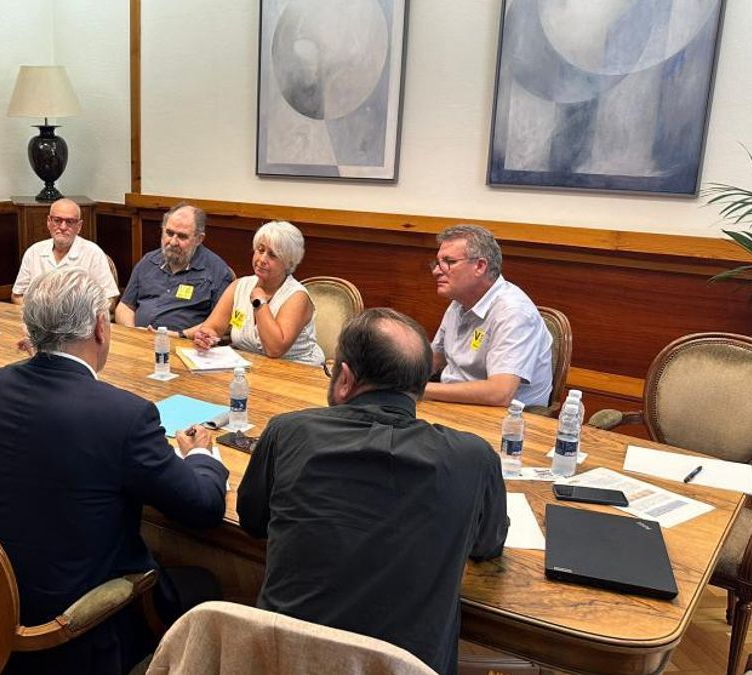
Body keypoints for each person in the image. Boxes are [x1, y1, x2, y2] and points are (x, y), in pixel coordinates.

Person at [0, 267, 229, 675]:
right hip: (75, 627)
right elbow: (203, 508)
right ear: (101, 328)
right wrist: (201, 457)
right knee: (205, 586)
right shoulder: (124, 416)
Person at [237, 308, 509, 675]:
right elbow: (487, 545)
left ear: (345, 378)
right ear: (420, 388)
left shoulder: (289, 432)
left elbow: (253, 521)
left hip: (284, 664)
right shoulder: (473, 459)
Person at [423, 224, 553, 407]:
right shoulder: (458, 303)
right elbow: (434, 359)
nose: (436, 271)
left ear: (480, 266)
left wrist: (419, 389)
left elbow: (499, 393)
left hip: (504, 421)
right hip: (453, 407)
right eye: (437, 263)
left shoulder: (513, 312)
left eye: (449, 262)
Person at [191, 220, 324, 365]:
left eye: (272, 255)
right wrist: (206, 337)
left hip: (298, 371)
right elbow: (213, 327)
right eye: (260, 250)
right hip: (250, 367)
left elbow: (275, 349)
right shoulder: (239, 286)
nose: (261, 259)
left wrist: (260, 303)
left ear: (289, 262)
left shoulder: (297, 297)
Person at [114, 203, 234, 337]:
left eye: (182, 236)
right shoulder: (148, 261)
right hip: (137, 340)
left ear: (199, 239)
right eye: (169, 233)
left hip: (185, 345)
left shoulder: (217, 271)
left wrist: (178, 335)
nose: (173, 242)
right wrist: (133, 331)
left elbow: (219, 324)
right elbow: (125, 307)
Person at [11, 198, 119, 307]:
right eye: (57, 220)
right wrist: (39, 314)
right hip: (37, 320)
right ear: (49, 222)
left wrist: (84, 315)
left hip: (80, 321)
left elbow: (109, 299)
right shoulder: (33, 252)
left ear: (79, 226)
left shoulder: (93, 253)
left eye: (69, 222)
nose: (63, 227)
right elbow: (17, 295)